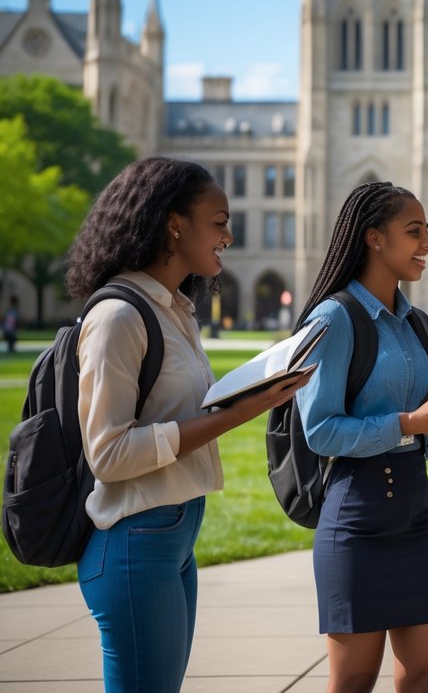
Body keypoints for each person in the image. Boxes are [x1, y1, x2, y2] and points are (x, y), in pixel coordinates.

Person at [67, 156, 312, 692]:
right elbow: (106, 455)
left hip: (175, 536)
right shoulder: (118, 317)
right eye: (219, 220)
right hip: (134, 541)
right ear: (175, 223)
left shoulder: (174, 309)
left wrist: (249, 392)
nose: (230, 233)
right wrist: (237, 413)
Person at [292, 182, 428, 693]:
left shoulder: (417, 323)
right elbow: (321, 431)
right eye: (414, 232)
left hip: (418, 518)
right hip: (356, 523)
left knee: (425, 678)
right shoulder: (333, 318)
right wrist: (410, 423)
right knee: (352, 681)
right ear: (374, 238)